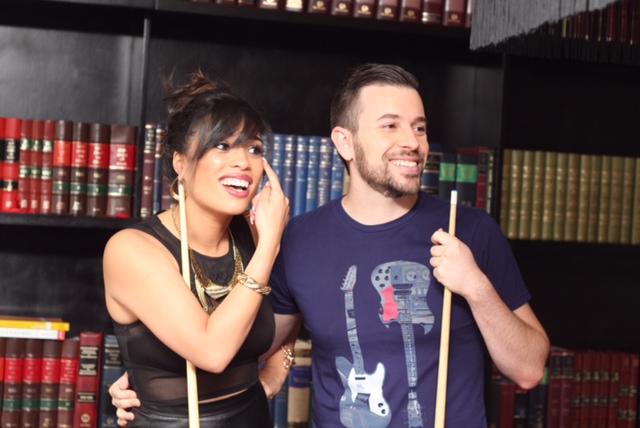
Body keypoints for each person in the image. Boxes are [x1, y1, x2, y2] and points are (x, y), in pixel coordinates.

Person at [110, 63, 550, 427]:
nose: (412, 143)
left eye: (419, 128)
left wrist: (476, 286)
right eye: (391, 125)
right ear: (344, 142)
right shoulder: (296, 240)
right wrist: (151, 380)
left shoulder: (469, 230)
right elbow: (238, 342)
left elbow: (529, 370)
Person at [102, 70, 292, 427]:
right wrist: (269, 246)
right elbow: (212, 352)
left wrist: (278, 370)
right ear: (181, 163)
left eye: (254, 149)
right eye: (222, 146)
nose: (243, 162)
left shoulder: (256, 234)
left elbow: (298, 303)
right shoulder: (132, 249)